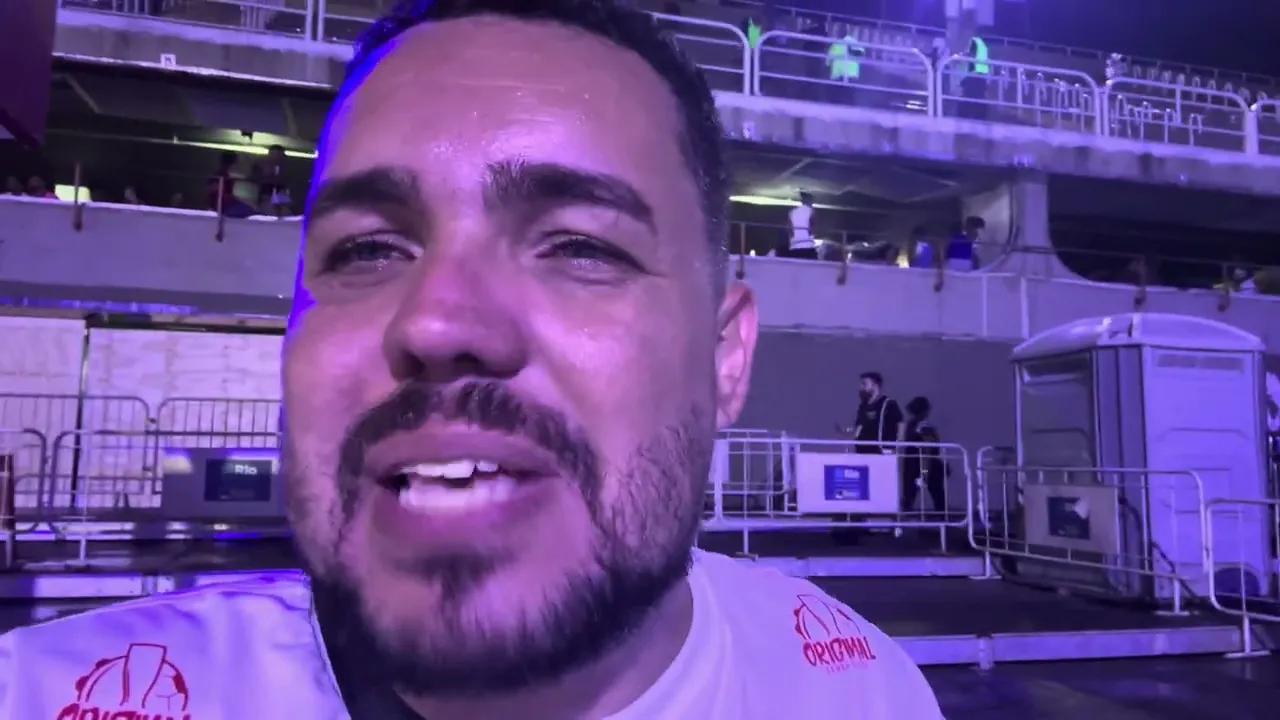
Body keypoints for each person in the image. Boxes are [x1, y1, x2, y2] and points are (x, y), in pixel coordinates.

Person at [0, 2, 942, 719]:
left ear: (725, 359)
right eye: (369, 250)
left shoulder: (862, 691)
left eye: (580, 246)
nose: (436, 321)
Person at [901, 396, 947, 514]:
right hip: (925, 464)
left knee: (909, 495)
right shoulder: (924, 427)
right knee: (937, 495)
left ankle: (904, 516)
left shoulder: (910, 426)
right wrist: (926, 471)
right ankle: (943, 517)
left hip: (913, 465)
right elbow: (929, 448)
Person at [839, 371, 905, 455]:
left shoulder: (889, 403)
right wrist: (848, 434)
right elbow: (859, 428)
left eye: (864, 384)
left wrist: (898, 445)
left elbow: (900, 423)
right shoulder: (863, 406)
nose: (861, 387)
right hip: (861, 452)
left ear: (874, 385)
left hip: (882, 452)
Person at [786, 191, 817, 259]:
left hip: (795, 246)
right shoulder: (811, 211)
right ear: (810, 201)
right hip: (808, 246)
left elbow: (789, 229)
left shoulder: (792, 212)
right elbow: (812, 228)